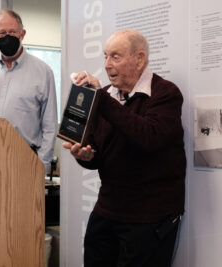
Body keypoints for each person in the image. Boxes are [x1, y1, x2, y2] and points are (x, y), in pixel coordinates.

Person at [63, 30, 186, 267]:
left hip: (149, 218)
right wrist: (85, 155)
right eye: (105, 57)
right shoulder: (107, 96)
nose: (107, 65)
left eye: (115, 57)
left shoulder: (165, 93)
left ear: (139, 59)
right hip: (107, 211)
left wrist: (101, 99)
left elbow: (148, 137)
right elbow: (97, 151)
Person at [0, 9, 57, 170]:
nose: (7, 37)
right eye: (2, 33)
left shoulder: (43, 72)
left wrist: (41, 165)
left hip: (25, 161)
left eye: (12, 32)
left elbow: (49, 126)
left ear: (22, 34)